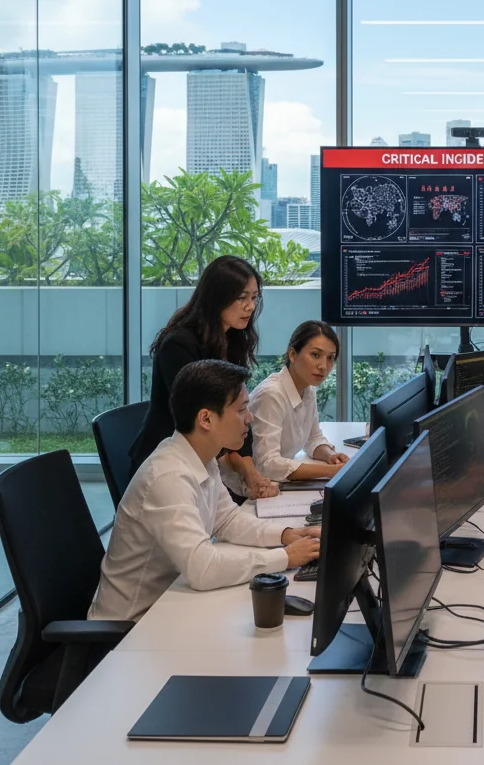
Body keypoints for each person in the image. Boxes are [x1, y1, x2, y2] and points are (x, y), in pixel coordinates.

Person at [89, 360, 320, 622]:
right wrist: (285, 558)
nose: (250, 418)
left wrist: (287, 535)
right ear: (206, 419)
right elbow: (203, 569)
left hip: (173, 602)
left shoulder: (202, 456)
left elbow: (226, 521)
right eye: (242, 409)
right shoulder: (168, 477)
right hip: (133, 625)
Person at [129, 255, 277, 500]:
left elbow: (235, 408)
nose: (250, 306)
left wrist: (249, 468)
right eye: (241, 297)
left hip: (205, 459)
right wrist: (244, 470)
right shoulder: (178, 344)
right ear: (216, 297)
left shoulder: (233, 337)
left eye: (253, 297)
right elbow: (201, 419)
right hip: (168, 465)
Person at [249, 321, 349, 483]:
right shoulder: (271, 394)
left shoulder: (307, 388)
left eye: (330, 358)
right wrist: (330, 471)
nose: (324, 366)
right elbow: (267, 464)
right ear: (292, 355)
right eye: (315, 355)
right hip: (249, 490)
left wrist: (330, 456)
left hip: (275, 483)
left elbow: (313, 438)